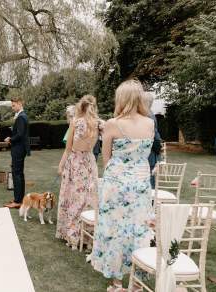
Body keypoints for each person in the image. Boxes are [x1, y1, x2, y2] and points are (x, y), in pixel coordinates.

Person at [91, 80, 154, 292]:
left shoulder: (112, 124)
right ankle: (137, 280)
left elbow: (106, 158)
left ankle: (118, 282)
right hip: (141, 183)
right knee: (138, 229)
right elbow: (145, 155)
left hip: (116, 183)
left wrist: (116, 178)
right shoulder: (150, 123)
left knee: (115, 230)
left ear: (122, 99)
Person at [56, 95, 100, 250]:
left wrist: (60, 166)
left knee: (73, 196)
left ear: (79, 108)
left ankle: (71, 233)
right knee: (88, 197)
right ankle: (87, 234)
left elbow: (68, 149)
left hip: (75, 162)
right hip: (89, 162)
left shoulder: (75, 123)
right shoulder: (97, 124)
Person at [4, 96, 30, 209]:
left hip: (18, 149)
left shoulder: (21, 117)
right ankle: (19, 199)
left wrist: (10, 139)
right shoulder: (22, 116)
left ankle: (17, 201)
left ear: (19, 103)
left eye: (14, 105)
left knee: (17, 174)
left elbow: (19, 134)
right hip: (20, 149)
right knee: (19, 174)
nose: (12, 107)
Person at [142, 92, 162, 187]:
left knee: (150, 179)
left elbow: (154, 135)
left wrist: (158, 149)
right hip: (150, 151)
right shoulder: (149, 113)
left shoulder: (147, 114)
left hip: (151, 152)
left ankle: (151, 200)